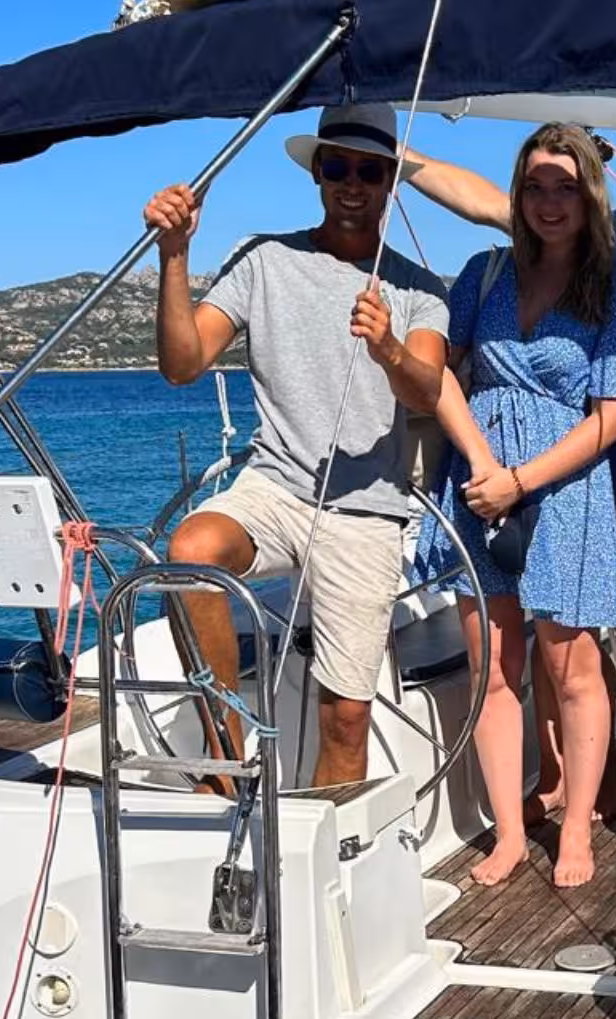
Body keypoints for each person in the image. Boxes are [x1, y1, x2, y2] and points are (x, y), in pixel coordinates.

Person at [402, 107, 616, 825]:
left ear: (591, 194)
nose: (549, 201)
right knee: (497, 664)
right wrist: (397, 158)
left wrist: (526, 480)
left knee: (573, 661)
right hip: (481, 481)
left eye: (565, 186)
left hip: (571, 481)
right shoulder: (487, 272)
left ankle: (584, 820)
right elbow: (442, 367)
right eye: (535, 187)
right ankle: (517, 824)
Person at [144, 103, 450, 795]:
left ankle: (326, 861)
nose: (352, 183)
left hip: (366, 511)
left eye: (369, 171)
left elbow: (426, 392)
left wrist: (386, 347)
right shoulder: (263, 260)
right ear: (317, 172)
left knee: (343, 719)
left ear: (388, 183)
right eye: (337, 166)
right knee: (191, 554)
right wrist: (175, 256)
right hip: (275, 489)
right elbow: (182, 365)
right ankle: (225, 766)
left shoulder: (419, 289)